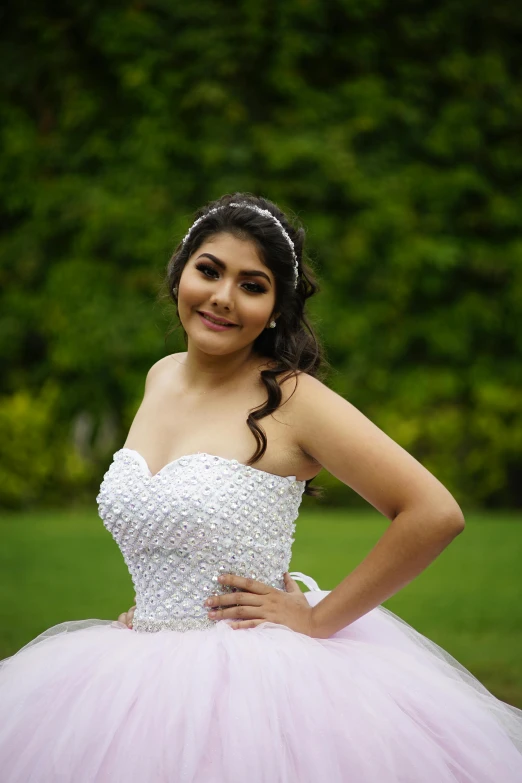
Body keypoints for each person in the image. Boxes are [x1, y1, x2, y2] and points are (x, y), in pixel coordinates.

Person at [0, 193, 521, 782]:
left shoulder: (293, 399)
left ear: (276, 309)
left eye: (253, 285)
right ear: (179, 275)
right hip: (137, 665)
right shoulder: (161, 376)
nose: (223, 297)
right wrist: (157, 605)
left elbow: (433, 512)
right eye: (209, 271)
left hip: (253, 682)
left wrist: (320, 621)